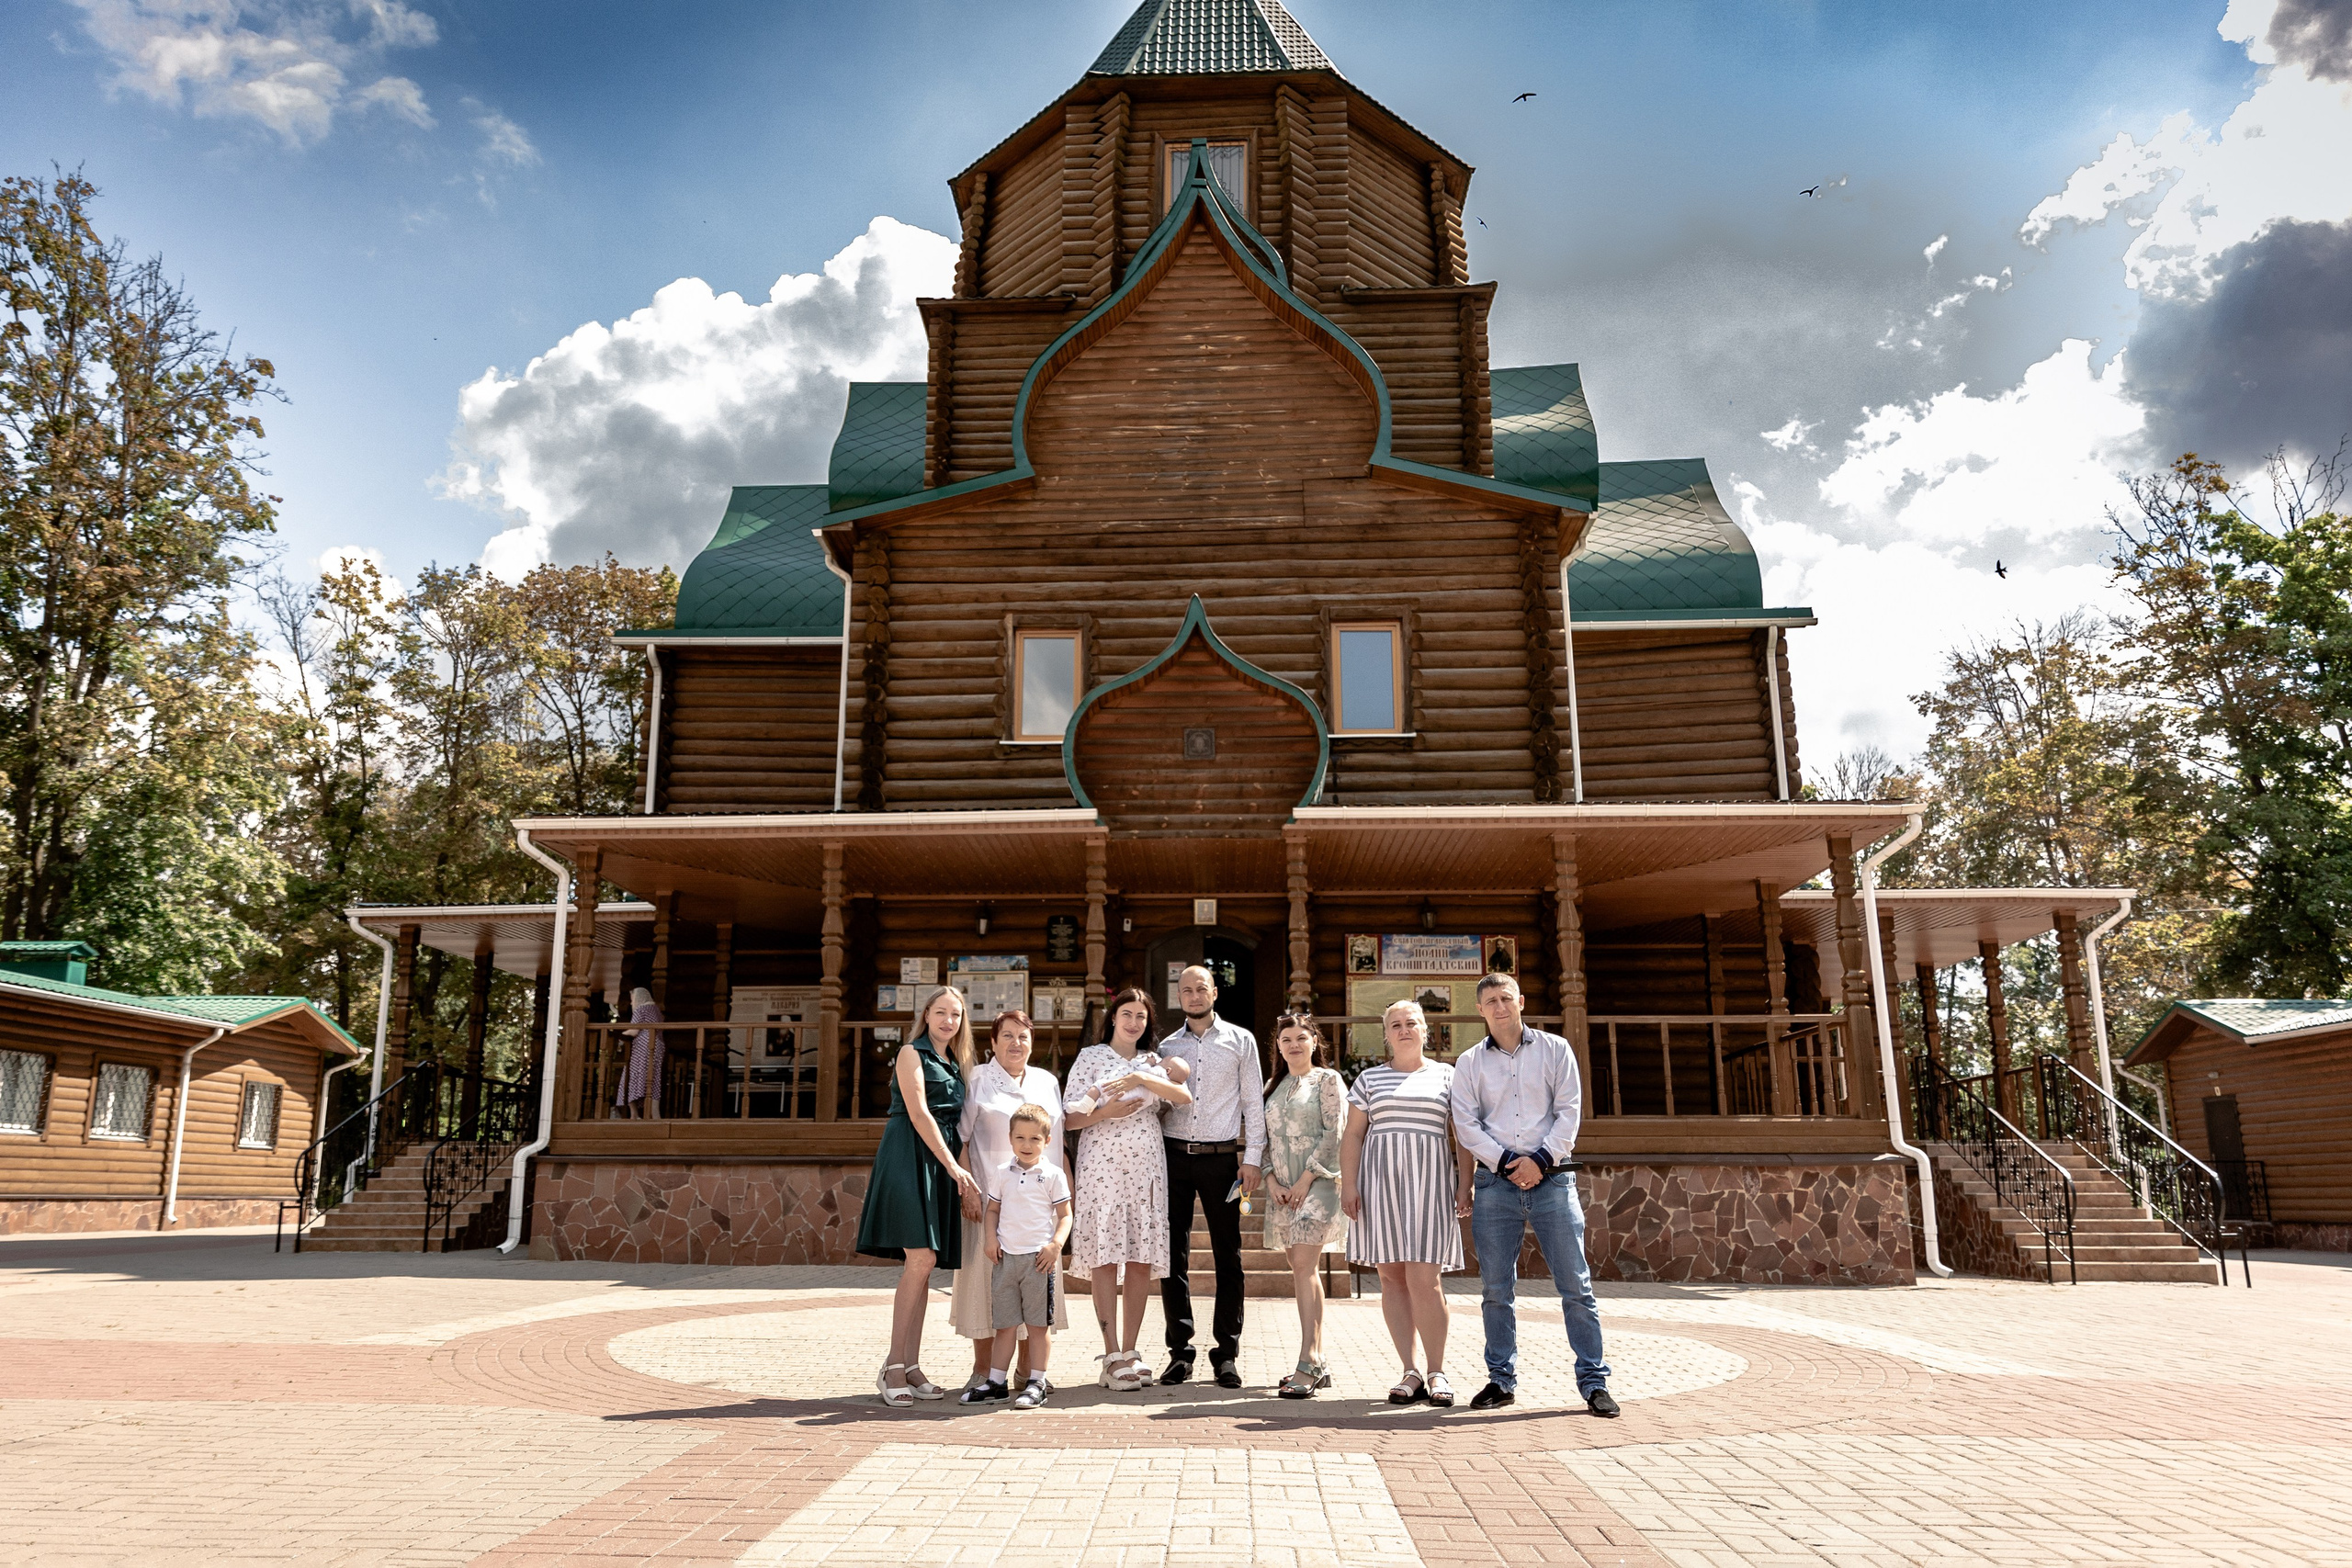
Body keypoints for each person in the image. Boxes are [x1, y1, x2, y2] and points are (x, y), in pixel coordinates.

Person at [1449, 972, 1615, 1416]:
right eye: (1490, 1001)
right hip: (1494, 1186)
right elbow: (1465, 1125)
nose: (1499, 1006)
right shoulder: (1468, 1063)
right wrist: (1507, 1162)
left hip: (1554, 1181)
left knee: (1576, 1286)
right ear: (1480, 1009)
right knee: (1495, 1290)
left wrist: (1540, 1160)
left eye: (1506, 997)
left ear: (1520, 1001)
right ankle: (1500, 1381)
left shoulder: (1556, 1049)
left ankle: (1594, 1382)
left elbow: (1570, 1111)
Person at [1341, 998, 1471, 1407]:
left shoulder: (1448, 1076)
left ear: (1425, 1031)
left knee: (1425, 1281)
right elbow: (1353, 1136)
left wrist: (1464, 1183)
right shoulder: (1369, 1080)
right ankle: (1409, 1371)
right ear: (1386, 1034)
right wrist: (1350, 1184)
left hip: (1430, 1186)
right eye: (1395, 1024)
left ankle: (1437, 1371)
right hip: (1380, 1186)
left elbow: (1463, 1136)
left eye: (1411, 1022)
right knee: (1392, 1279)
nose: (1403, 1029)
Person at [856, 984, 980, 1407]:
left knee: (923, 1266)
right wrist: (952, 1166)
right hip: (910, 1156)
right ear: (926, 1015)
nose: (949, 1020)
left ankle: (910, 1365)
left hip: (941, 1160)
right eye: (941, 1012)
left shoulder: (958, 1062)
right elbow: (919, 1112)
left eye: (957, 1014)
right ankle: (892, 1365)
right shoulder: (912, 1053)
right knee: (921, 1258)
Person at [1063, 987, 1193, 1391]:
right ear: (1113, 1017)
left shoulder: (1152, 1063)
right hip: (1102, 1167)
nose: (1133, 1022)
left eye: (1141, 1016)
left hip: (1146, 1169)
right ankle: (1110, 1352)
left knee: (1139, 1257)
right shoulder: (1090, 1057)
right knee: (1105, 1256)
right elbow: (1068, 1118)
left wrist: (1143, 1076)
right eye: (1126, 1014)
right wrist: (1106, 1112)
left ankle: (1131, 1352)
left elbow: (1184, 1096)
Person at [1156, 964, 1265, 1389]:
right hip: (1173, 1158)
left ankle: (1226, 1354)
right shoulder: (1165, 1046)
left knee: (1229, 1255)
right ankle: (1180, 1353)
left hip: (1222, 1161)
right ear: (1179, 996)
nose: (1194, 995)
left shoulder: (1242, 1041)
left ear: (1215, 993)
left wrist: (1251, 1157)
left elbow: (1252, 1103)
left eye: (1201, 988)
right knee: (1172, 1255)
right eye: (1187, 990)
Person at [953, 1010, 1070, 1393]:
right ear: (993, 1042)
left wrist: (1066, 1200)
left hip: (1038, 1210)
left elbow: (1058, 1143)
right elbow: (963, 1140)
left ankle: (1026, 1372)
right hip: (991, 1204)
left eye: (1023, 1036)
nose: (1016, 1043)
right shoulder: (977, 1080)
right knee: (988, 1291)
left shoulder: (1047, 1081)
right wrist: (968, 1189)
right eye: (1007, 1036)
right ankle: (984, 1369)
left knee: (1033, 1292)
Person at [961, 1102, 1074, 1410]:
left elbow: (1065, 1215)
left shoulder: (1053, 1174)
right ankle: (996, 1382)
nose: (1027, 1145)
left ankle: (1037, 1382)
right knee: (1005, 1326)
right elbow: (993, 1210)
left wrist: (1056, 1245)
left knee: (1038, 1327)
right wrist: (989, 1239)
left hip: (1039, 1261)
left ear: (1047, 1141)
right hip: (1005, 1260)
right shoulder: (1001, 1174)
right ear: (1010, 1139)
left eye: (1035, 1139)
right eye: (1020, 1138)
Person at [1261, 1011, 1346, 1398]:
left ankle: (1308, 1361)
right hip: (1282, 1191)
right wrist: (1271, 1179)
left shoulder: (1328, 1081)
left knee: (1303, 1266)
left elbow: (1336, 1134)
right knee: (1301, 1268)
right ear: (1278, 1046)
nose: (1294, 1045)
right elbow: (1262, 1140)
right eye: (1286, 1039)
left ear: (1315, 1041)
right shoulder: (1273, 1086)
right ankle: (1319, 1360)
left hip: (1318, 1184)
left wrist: (1305, 1179)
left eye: (1301, 1038)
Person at [616, 987, 662, 1118]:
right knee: (652, 1079)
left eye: (632, 999)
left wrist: (619, 1034)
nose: (631, 1003)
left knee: (630, 1077)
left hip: (643, 1047)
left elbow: (634, 1031)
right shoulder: (656, 1010)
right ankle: (655, 1115)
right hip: (657, 1046)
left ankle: (634, 1114)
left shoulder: (641, 1009)